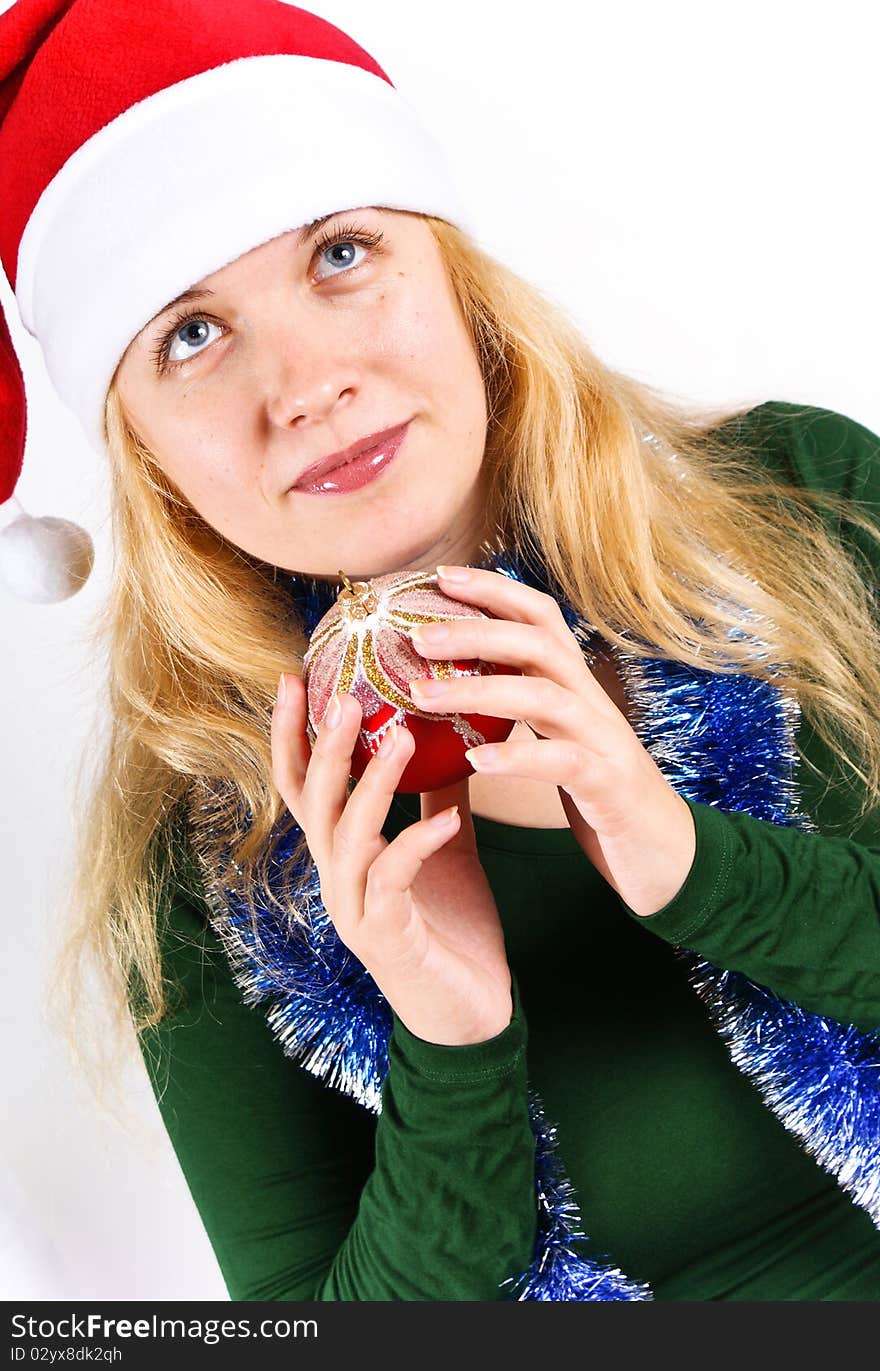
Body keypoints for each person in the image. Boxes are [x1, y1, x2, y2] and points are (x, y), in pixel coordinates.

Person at [2, 0, 879, 1302]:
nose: (305, 385)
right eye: (189, 333)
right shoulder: (197, 856)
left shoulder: (798, 498)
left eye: (342, 253)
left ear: (456, 276)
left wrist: (682, 853)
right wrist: (449, 1034)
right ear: (141, 448)